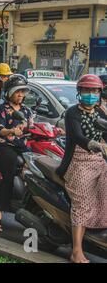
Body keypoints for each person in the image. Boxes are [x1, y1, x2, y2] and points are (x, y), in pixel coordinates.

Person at [56, 74, 107, 263]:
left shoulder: (100, 112)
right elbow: (77, 137)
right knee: (82, 204)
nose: (91, 94)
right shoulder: (72, 113)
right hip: (77, 162)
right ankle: (76, 250)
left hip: (98, 161)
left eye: (94, 91)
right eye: (87, 90)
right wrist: (97, 145)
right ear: (80, 92)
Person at [0, 74, 33, 233]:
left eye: (23, 92)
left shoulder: (26, 111)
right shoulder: (2, 109)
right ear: (9, 93)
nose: (21, 95)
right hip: (5, 146)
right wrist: (11, 131)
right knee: (8, 176)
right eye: (18, 92)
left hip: (23, 147)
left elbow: (32, 127)